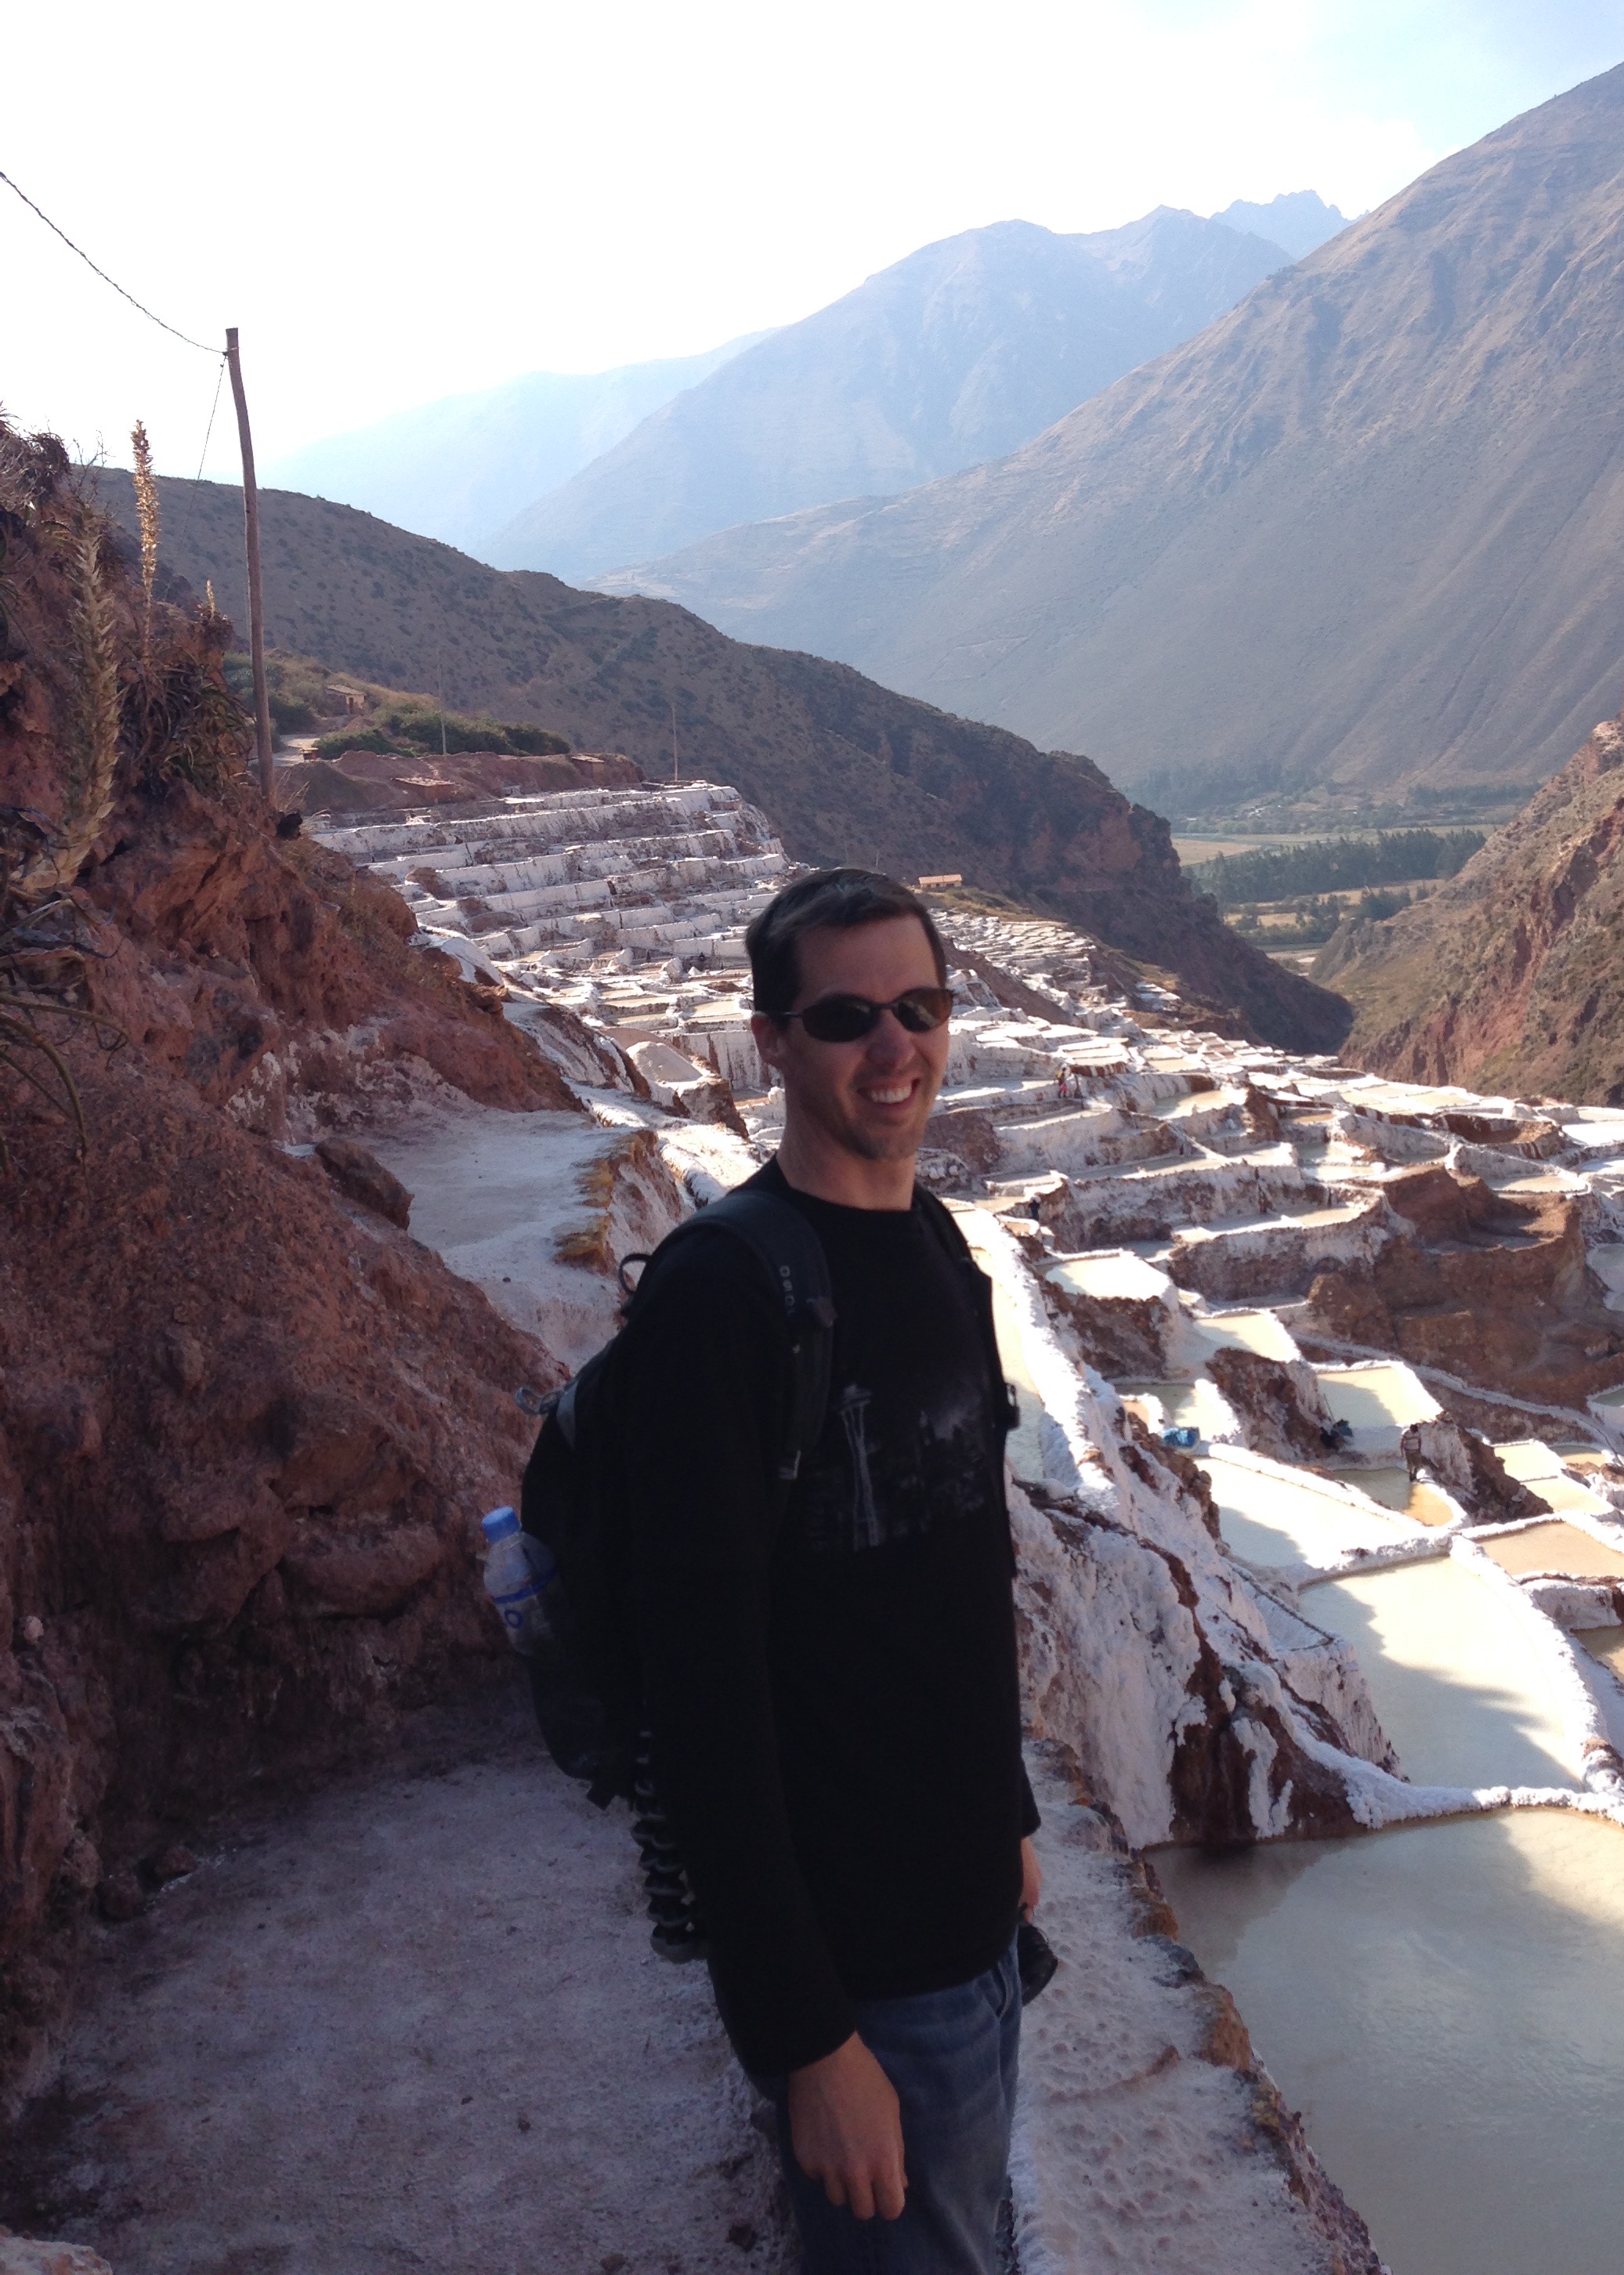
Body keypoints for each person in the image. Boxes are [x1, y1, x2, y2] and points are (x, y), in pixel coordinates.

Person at [609, 866, 1042, 2273]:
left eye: (920, 1007)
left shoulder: (935, 1243)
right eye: (848, 1017)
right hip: (868, 1982)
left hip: (973, 1926)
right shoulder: (726, 1301)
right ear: (773, 1042)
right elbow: (701, 1701)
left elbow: (959, 1573)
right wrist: (808, 2041)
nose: (893, 1046)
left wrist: (1008, 1815)